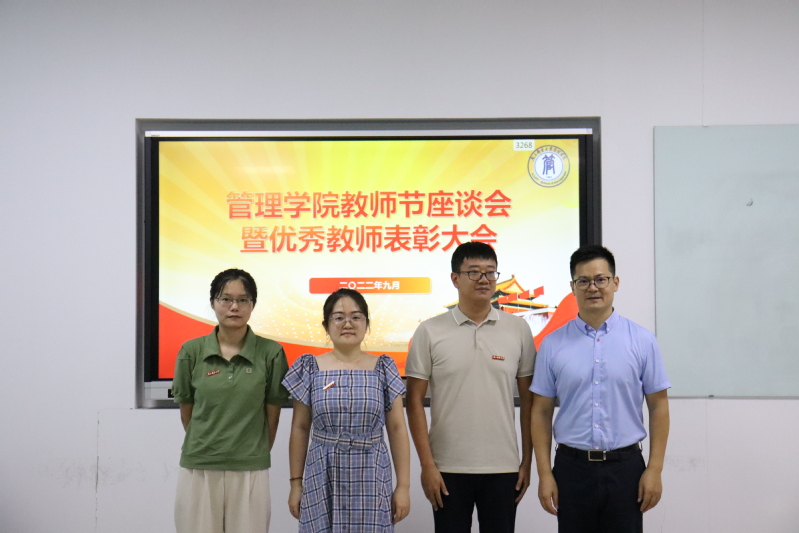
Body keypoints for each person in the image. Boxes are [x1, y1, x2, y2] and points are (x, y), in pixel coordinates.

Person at [530, 245, 671, 533]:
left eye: (600, 279)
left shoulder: (642, 341)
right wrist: (545, 474)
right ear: (572, 287)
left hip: (626, 469)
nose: (592, 287)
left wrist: (654, 469)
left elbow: (659, 406)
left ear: (615, 283)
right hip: (571, 469)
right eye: (583, 281)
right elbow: (541, 412)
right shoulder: (552, 345)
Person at [405, 241, 536, 533]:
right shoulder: (430, 331)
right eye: (474, 272)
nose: (484, 279)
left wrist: (527, 461)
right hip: (446, 468)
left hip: (503, 467)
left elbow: (529, 400)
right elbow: (413, 401)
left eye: (490, 272)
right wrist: (427, 465)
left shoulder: (518, 329)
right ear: (455, 278)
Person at [282, 288, 411, 532]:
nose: (347, 323)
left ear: (367, 323)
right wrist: (296, 484)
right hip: (322, 474)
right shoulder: (310, 367)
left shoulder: (383, 367)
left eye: (356, 316)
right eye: (339, 317)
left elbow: (396, 428)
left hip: (372, 474)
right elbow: (300, 428)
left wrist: (403, 486)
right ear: (326, 325)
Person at [172, 268, 289, 533]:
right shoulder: (191, 351)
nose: (234, 307)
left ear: (253, 304)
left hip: (250, 468)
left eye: (243, 300)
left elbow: (272, 414)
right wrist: (208, 445)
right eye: (226, 299)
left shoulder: (271, 353)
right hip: (200, 466)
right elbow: (186, 411)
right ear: (213, 302)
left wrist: (252, 452)